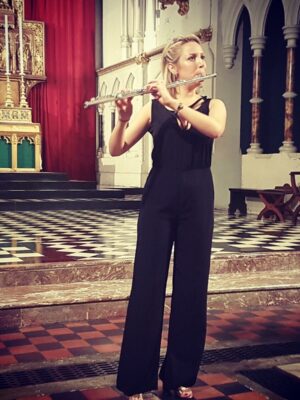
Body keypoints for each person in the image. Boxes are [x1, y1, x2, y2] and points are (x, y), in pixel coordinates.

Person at [109, 34, 227, 400]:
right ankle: (136, 379)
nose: (201, 64)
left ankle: (178, 375)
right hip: (158, 196)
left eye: (203, 57)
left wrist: (175, 103)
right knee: (147, 285)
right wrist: (122, 117)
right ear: (173, 65)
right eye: (193, 57)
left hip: (197, 195)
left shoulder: (213, 104)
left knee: (192, 286)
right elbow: (117, 148)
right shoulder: (152, 108)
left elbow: (215, 130)